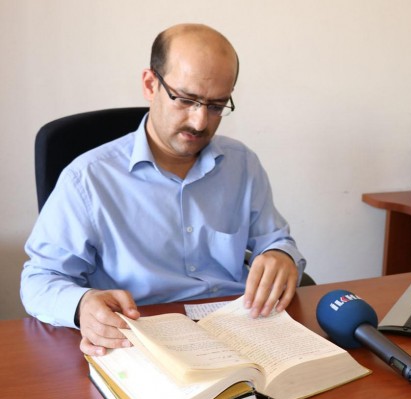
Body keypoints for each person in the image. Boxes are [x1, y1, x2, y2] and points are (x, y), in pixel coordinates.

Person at [20, 23, 305, 357]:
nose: (200, 122)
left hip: (240, 328)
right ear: (150, 84)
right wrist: (82, 303)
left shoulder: (242, 164)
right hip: (139, 336)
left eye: (216, 106)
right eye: (185, 100)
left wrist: (281, 255)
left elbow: (275, 240)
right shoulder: (88, 179)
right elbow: (39, 279)